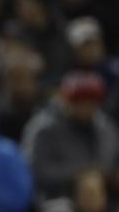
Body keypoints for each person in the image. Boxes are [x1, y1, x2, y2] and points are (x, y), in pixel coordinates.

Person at [21, 71, 119, 200]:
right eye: (79, 101)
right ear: (65, 100)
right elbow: (35, 170)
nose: (85, 106)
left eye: (91, 101)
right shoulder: (44, 128)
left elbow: (113, 163)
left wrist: (108, 175)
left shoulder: (105, 128)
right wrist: (78, 174)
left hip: (102, 197)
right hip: (56, 196)